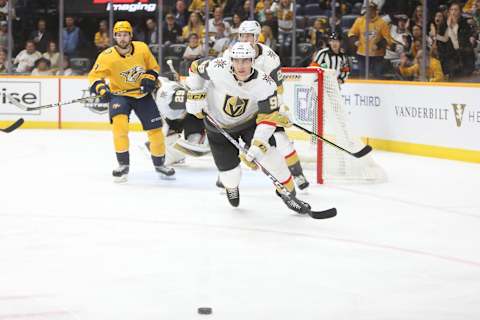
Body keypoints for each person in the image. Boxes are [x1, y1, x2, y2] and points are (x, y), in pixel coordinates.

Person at [185, 42, 312, 214]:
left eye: (245, 61)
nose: (241, 65)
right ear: (231, 60)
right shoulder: (217, 67)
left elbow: (268, 119)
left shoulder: (265, 83)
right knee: (231, 177)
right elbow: (194, 68)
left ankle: (288, 194)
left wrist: (257, 146)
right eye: (237, 61)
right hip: (217, 126)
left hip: (249, 123)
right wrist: (195, 94)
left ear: (252, 60)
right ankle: (231, 186)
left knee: (271, 157)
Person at [224, 20, 310, 190]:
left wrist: (280, 108)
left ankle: (297, 173)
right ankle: (227, 174)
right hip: (240, 104)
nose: (245, 39)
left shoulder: (270, 58)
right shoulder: (230, 54)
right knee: (230, 140)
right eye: (242, 35)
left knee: (281, 139)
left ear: (257, 37)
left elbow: (277, 88)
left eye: (249, 35)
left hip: (264, 104)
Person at [88, 21, 174, 182]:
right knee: (120, 128)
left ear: (131, 35)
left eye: (125, 34)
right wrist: (101, 89)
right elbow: (93, 76)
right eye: (119, 35)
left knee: (155, 130)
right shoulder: (106, 56)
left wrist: (149, 78)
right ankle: (123, 165)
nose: (122, 38)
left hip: (142, 95)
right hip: (119, 96)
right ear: (114, 36)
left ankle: (160, 164)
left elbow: (153, 67)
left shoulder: (142, 48)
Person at [150, 74, 209, 165]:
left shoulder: (164, 91)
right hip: (175, 118)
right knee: (169, 134)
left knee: (193, 110)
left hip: (191, 114)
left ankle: (196, 138)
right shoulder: (162, 87)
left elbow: (189, 99)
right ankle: (175, 155)